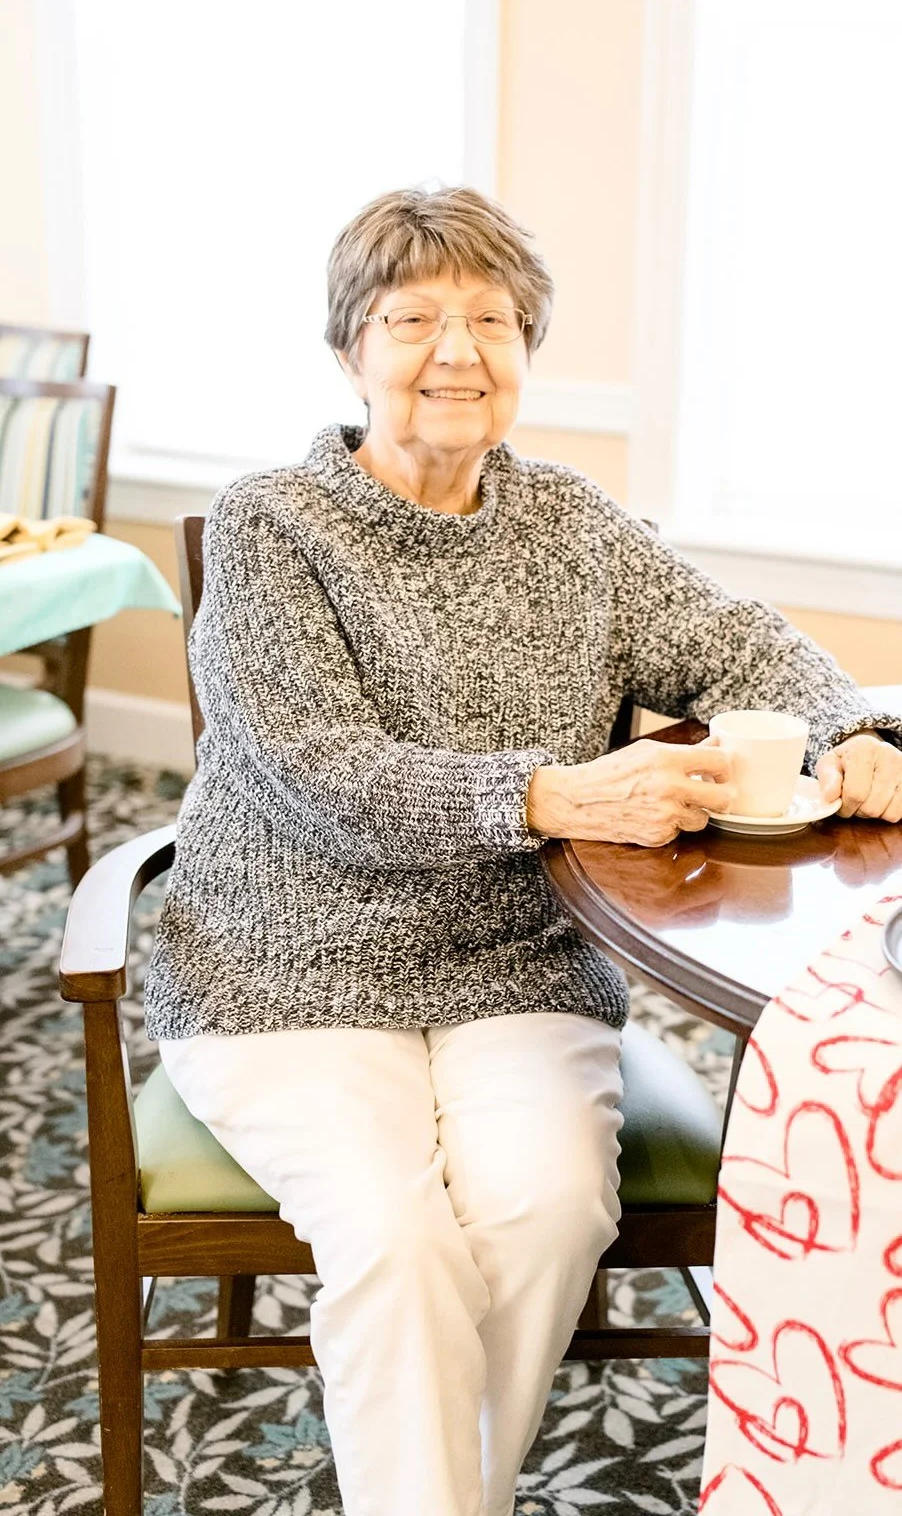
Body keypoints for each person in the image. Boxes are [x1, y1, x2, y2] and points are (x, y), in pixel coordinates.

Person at [143, 185, 902, 1516]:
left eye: (491, 320)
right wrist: (553, 796)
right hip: (285, 961)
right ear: (349, 351)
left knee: (546, 1213)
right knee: (395, 1242)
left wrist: (858, 725)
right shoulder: (272, 524)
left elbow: (736, 642)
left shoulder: (570, 522)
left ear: (526, 347)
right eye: (412, 320)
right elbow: (323, 775)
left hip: (519, 960)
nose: (457, 351)